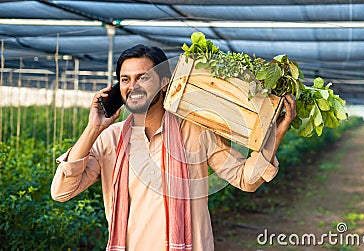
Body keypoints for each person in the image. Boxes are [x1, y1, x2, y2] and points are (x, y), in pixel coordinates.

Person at [51, 44, 296, 251]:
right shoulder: (110, 140)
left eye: (143, 77)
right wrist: (94, 128)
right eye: (125, 79)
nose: (132, 86)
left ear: (165, 83)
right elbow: (61, 192)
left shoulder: (197, 130)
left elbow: (245, 179)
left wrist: (275, 133)